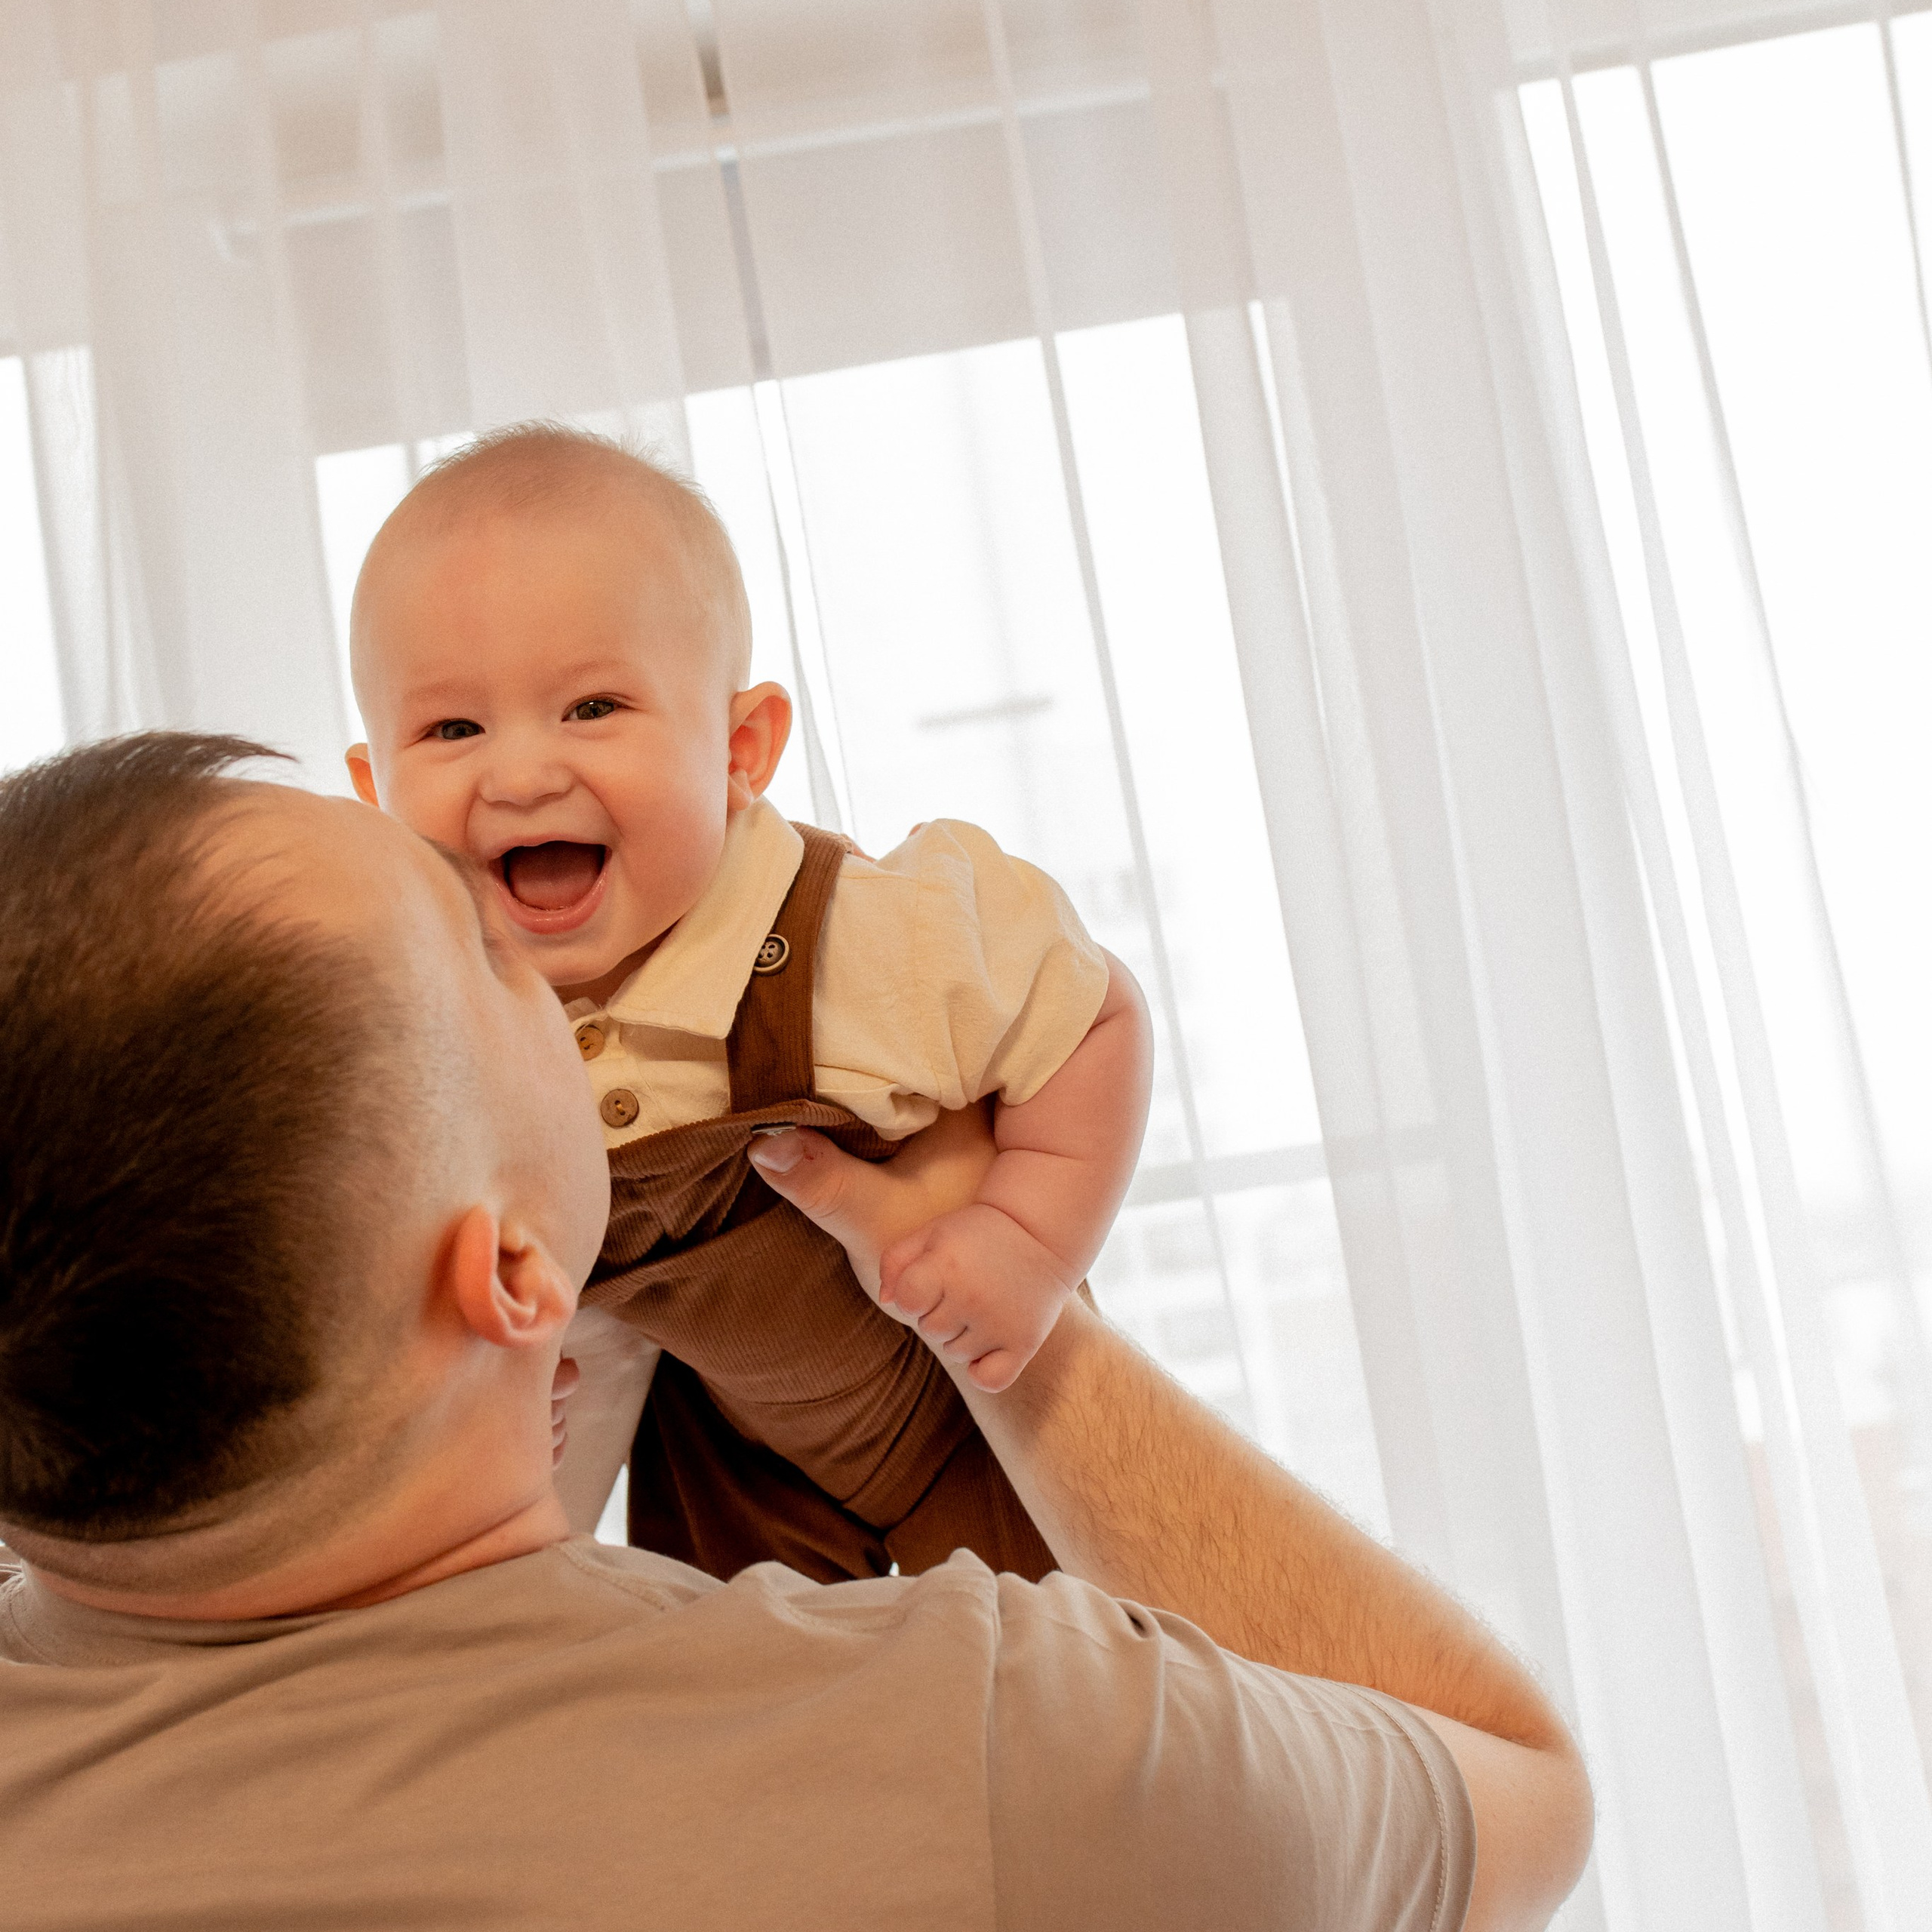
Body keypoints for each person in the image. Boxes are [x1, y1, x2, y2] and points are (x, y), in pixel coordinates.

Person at [0, 734, 1592, 1930]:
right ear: (508, 1272)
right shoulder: (988, 1753)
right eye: (486, 950)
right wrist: (1001, 1309)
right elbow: (1513, 1789)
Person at [343, 421, 1152, 1585]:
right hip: (730, 1469)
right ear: (374, 790)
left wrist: (1024, 1237)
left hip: (972, 1406)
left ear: (740, 748)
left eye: (592, 709)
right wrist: (496, 1402)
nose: (520, 774)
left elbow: (1090, 1016)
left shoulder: (854, 942)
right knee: (784, 1718)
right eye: (453, 729)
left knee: (1072, 1682)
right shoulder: (443, 1029)